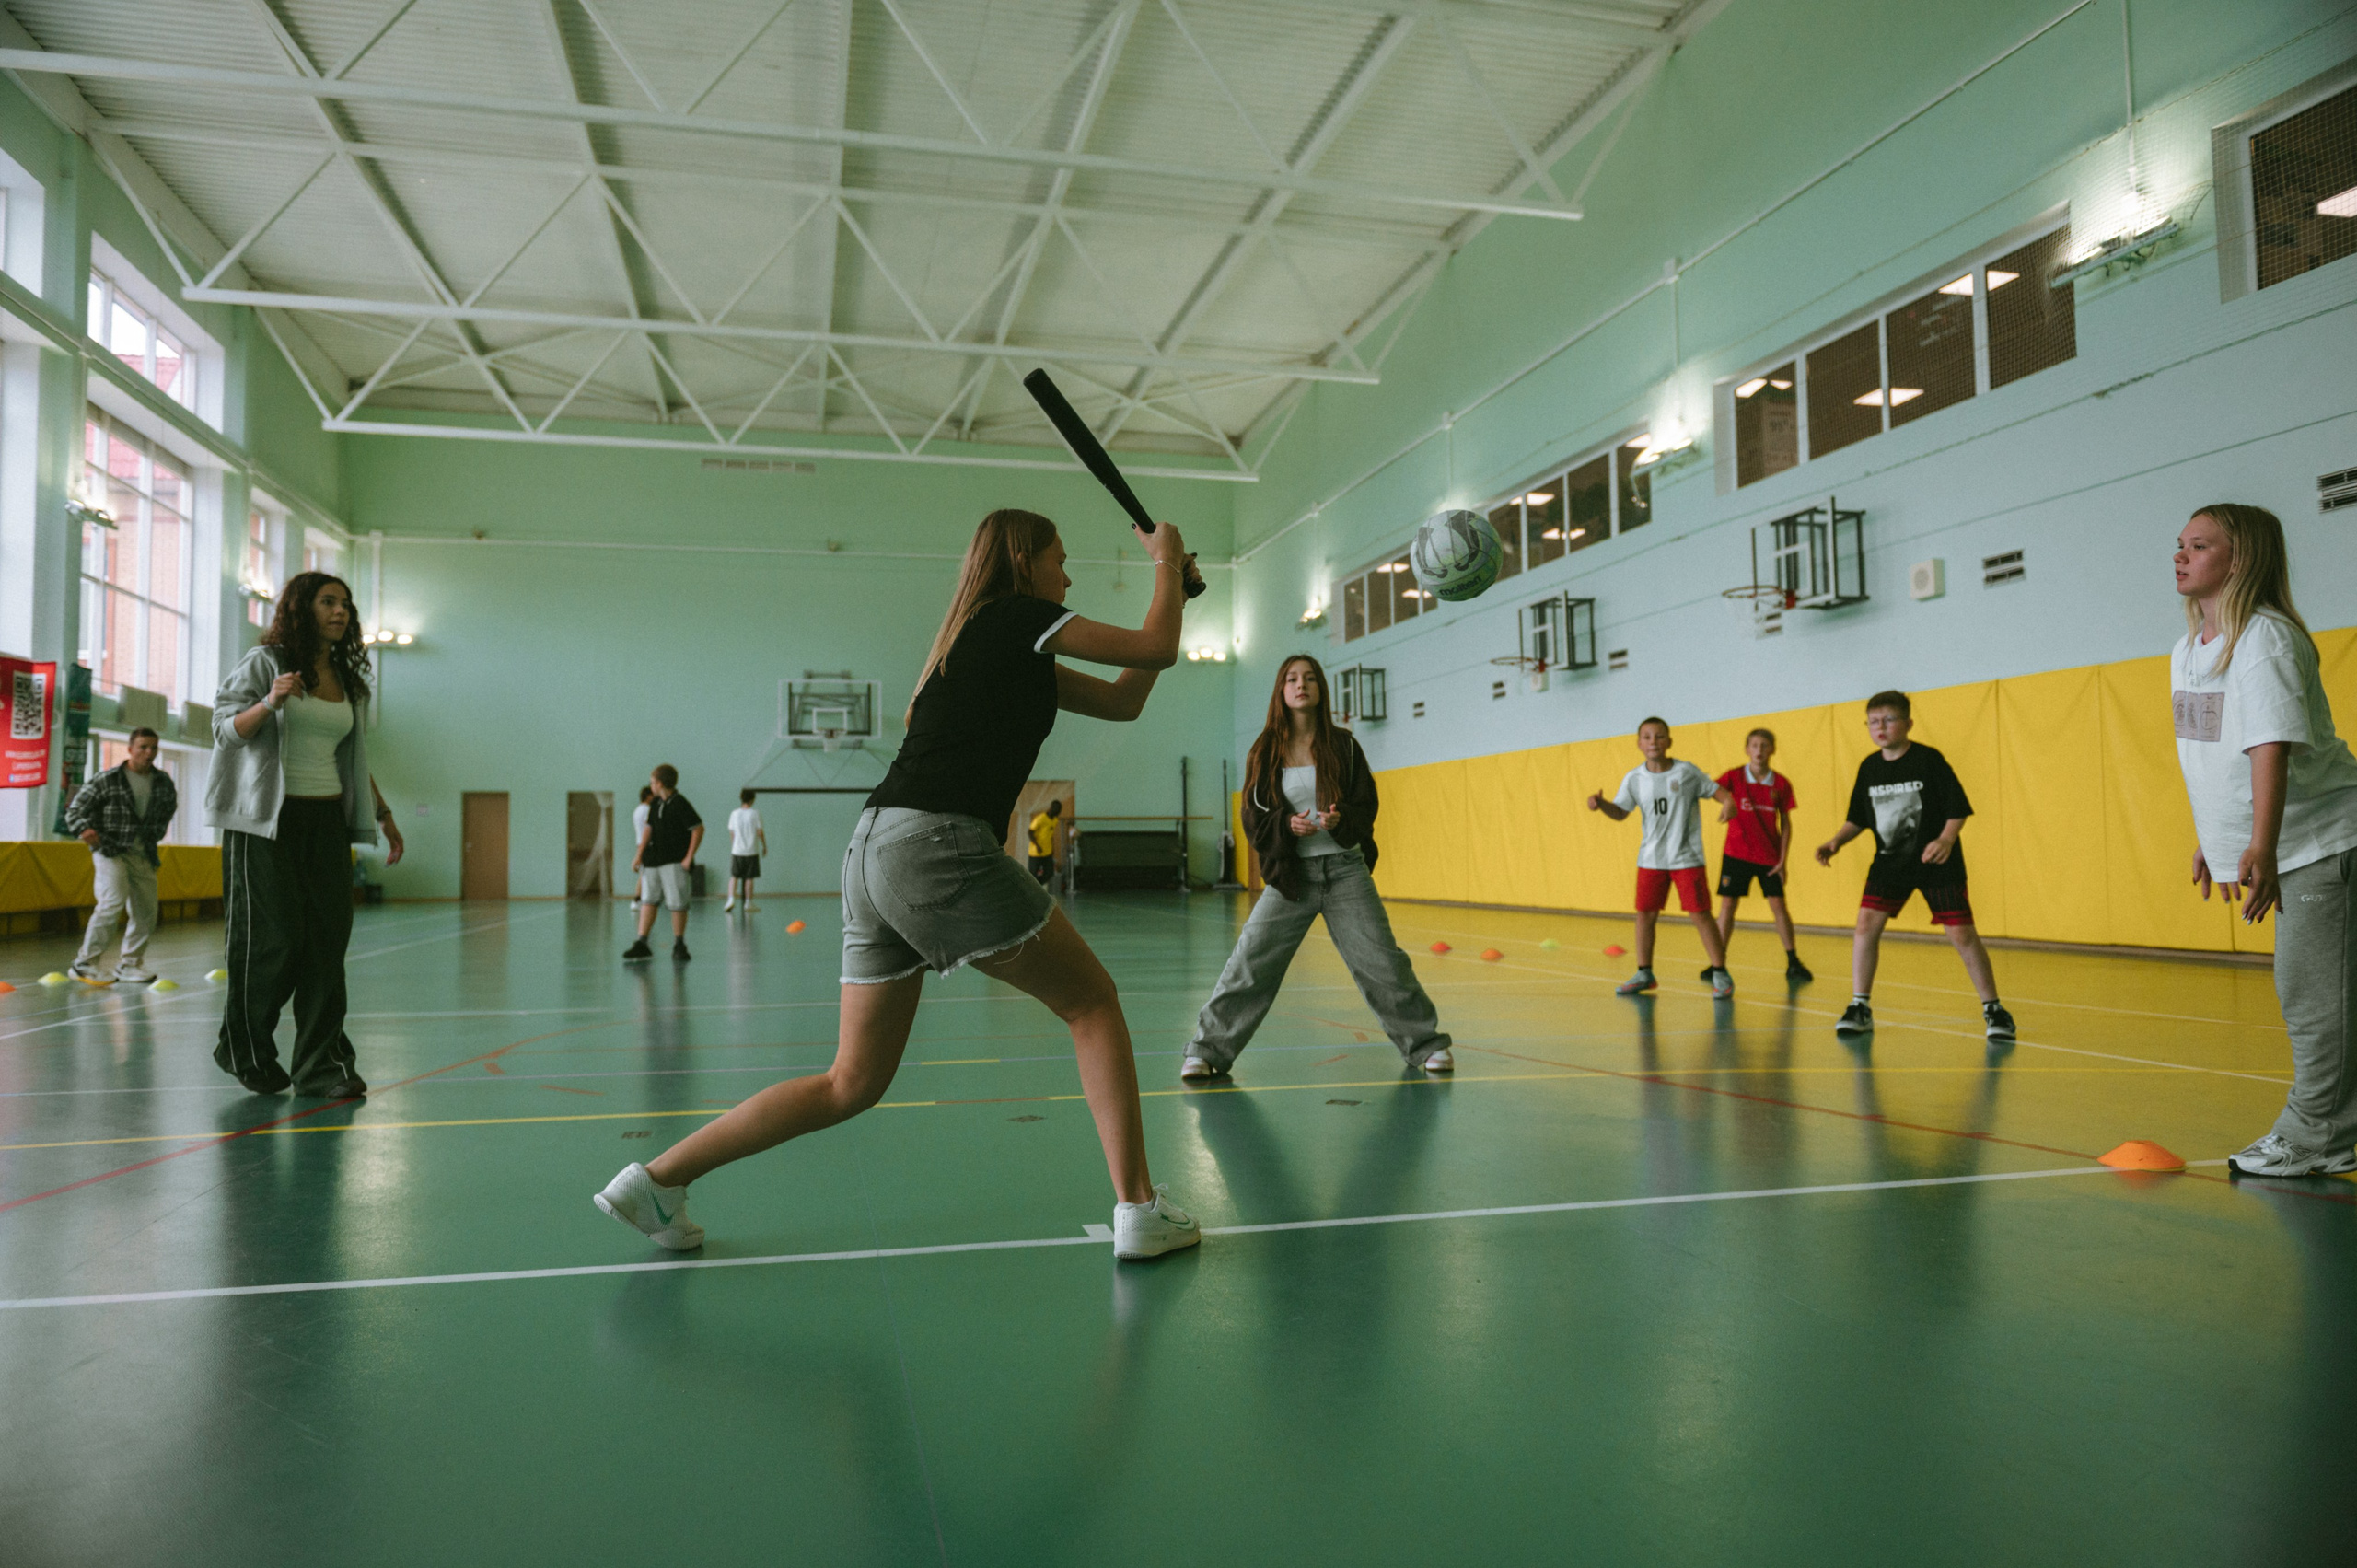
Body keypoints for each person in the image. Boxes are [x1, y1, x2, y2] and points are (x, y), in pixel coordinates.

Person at [597, 508, 1204, 1260]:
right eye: (1060, 560)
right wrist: (1166, 563)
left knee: (850, 1080)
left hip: (871, 849)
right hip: (936, 843)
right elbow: (1156, 644)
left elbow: (1125, 696)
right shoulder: (1016, 615)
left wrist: (1175, 593)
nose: (1068, 576)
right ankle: (1140, 1208)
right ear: (1023, 563)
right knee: (1092, 1003)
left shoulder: (977, 643)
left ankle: (657, 1180)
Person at [2170, 504, 2357, 1178]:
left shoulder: (2265, 638)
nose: (2180, 555)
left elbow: (2268, 746)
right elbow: (2212, 750)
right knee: (2318, 991)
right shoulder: (2187, 650)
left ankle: (2319, 1135)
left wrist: (2263, 845)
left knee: (2312, 997)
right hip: (2285, 840)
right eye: (2180, 544)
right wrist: (2218, 836)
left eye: (2199, 545)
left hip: (2321, 841)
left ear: (2241, 559)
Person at [1180, 655, 1452, 1080]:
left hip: (1346, 873)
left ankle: (1426, 1045)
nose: (1300, 684)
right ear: (1281, 691)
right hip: (1292, 879)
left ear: (1320, 689)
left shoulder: (1345, 746)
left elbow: (1366, 804)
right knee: (1251, 962)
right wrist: (1285, 825)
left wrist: (1341, 819)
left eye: (1309, 678)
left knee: (1383, 962)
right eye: (1291, 679)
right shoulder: (1265, 750)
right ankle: (1206, 1050)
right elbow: (1253, 815)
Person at [207, 572, 404, 1098]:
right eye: (328, 602)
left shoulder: (347, 679)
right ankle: (244, 1049)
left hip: (325, 821)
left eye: (346, 604)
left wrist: (382, 813)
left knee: (325, 945)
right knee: (273, 941)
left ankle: (323, 1066)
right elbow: (224, 731)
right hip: (264, 823)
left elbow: (350, 757)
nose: (340, 611)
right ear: (301, 608)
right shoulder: (265, 663)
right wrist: (269, 702)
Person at [1814, 691, 2014, 1042]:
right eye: (1873, 722)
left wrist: (1946, 840)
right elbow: (1858, 818)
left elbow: (1957, 808)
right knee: (1865, 926)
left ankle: (1994, 1009)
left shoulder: (1928, 760)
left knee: (1962, 935)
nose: (1881, 727)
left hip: (1936, 863)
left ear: (1907, 723)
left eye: (1889, 720)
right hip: (1890, 863)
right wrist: (1836, 841)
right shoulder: (1869, 768)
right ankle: (1860, 1006)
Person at [1587, 717, 1733, 998]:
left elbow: (1720, 793)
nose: (1653, 742)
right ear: (1639, 744)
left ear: (1669, 741)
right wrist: (1601, 804)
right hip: (1651, 859)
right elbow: (1620, 812)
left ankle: (1720, 973)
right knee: (1645, 914)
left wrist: (1728, 802)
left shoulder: (1686, 772)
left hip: (1686, 858)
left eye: (1659, 736)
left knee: (1700, 914)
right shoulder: (1634, 779)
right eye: (1647, 737)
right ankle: (1644, 973)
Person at [63, 726, 178, 983]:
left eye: (153, 748)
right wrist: (84, 828)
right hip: (110, 850)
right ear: (130, 749)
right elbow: (74, 809)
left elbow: (169, 808)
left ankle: (130, 964)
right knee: (112, 902)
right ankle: (84, 963)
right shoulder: (108, 779)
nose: (149, 753)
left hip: (143, 852)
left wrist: (156, 833)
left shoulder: (163, 782)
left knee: (147, 910)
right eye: (143, 747)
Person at [1713, 727, 1811, 982]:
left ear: (1772, 750)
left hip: (1768, 857)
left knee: (1778, 906)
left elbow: (1786, 823)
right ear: (1747, 749)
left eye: (1764, 745)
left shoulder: (1781, 784)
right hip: (1736, 854)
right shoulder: (1734, 777)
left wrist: (1783, 860)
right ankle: (1717, 962)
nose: (1759, 750)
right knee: (1728, 906)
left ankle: (1793, 961)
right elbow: (1711, 788)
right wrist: (1727, 801)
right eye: (1754, 745)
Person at [624, 765, 702, 961]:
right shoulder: (656, 803)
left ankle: (679, 944)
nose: (650, 786)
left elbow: (698, 829)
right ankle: (642, 942)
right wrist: (639, 855)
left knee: (677, 903)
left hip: (674, 860)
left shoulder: (680, 803)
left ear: (660, 783)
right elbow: (648, 829)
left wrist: (689, 857)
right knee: (648, 900)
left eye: (652, 782)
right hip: (653, 860)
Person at [724, 789, 766, 912]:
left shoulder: (734, 813)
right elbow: (760, 832)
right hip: (751, 850)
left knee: (734, 876)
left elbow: (732, 832)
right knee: (749, 878)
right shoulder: (755, 813)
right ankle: (748, 903)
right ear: (752, 800)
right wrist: (764, 846)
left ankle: (730, 900)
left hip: (737, 850)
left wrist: (734, 846)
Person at [1027, 798, 1064, 885]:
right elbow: (1030, 832)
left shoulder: (1054, 820)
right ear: (1051, 808)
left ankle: (1038, 886)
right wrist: (1037, 845)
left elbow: (1050, 836)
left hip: (1047, 852)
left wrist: (1052, 848)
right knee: (1032, 875)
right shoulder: (1041, 818)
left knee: (1049, 873)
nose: (1058, 813)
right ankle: (1034, 887)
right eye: (1056, 811)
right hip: (1036, 853)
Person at [629, 784, 653, 912]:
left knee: (644, 874)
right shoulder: (647, 810)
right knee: (644, 874)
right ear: (649, 796)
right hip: (646, 845)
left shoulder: (637, 810)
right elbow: (649, 829)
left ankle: (639, 899)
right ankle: (637, 900)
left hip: (640, 843)